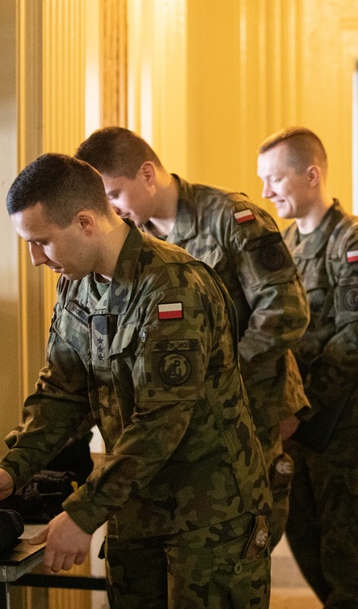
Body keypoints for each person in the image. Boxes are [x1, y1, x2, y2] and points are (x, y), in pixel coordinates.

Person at [0, 153, 273, 608]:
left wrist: (82, 513)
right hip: (135, 509)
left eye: (43, 243)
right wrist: (14, 469)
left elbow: (162, 420)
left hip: (208, 516)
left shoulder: (172, 287)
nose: (36, 259)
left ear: (85, 222)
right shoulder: (77, 285)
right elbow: (61, 393)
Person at [74, 126, 310, 548]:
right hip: (179, 423)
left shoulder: (231, 218)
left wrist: (218, 378)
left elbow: (286, 310)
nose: (110, 209)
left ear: (148, 173)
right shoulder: (136, 240)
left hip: (248, 409)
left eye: (114, 194)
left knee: (240, 547)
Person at [257, 126, 358, 608]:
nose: (266, 192)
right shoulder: (288, 243)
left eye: (275, 179)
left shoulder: (356, 242)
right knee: (311, 555)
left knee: (345, 567)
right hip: (300, 429)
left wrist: (301, 407)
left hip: (345, 429)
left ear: (311, 175)